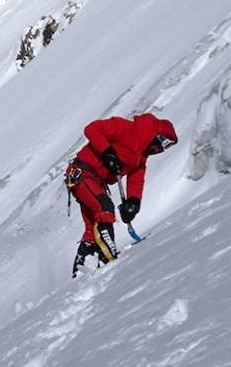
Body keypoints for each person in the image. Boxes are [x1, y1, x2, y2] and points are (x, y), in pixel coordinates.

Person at [64, 113, 177, 277]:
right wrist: (107, 152)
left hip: (96, 182)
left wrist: (133, 202)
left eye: (167, 147)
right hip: (82, 174)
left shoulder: (141, 157)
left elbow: (136, 179)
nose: (161, 149)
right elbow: (92, 129)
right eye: (164, 143)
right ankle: (107, 258)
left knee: (93, 227)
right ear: (156, 136)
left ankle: (81, 272)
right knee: (104, 208)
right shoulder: (125, 128)